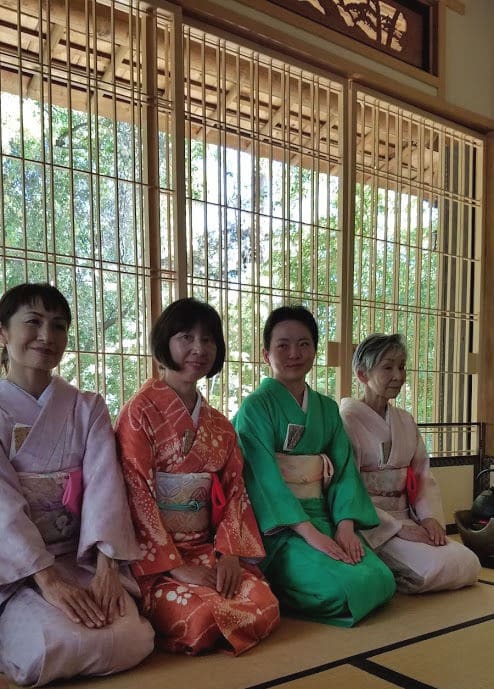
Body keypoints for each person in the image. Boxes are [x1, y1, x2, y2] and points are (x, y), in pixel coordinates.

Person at [0, 283, 154, 687]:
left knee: (130, 637)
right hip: (16, 569)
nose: (46, 336)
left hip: (78, 556)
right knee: (53, 646)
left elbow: (106, 487)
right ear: (3, 332)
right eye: (32, 322)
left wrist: (107, 566)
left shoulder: (87, 407)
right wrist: (47, 580)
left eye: (59, 326)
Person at [115, 298, 280, 655]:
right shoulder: (137, 414)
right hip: (158, 562)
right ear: (165, 343)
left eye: (208, 340)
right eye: (186, 337)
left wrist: (230, 554)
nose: (198, 349)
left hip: (208, 549)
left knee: (265, 603)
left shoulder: (219, 425)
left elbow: (236, 492)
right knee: (202, 615)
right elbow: (136, 494)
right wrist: (174, 567)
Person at [232, 306, 395, 627]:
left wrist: (345, 526)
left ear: (315, 350)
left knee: (383, 580)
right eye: (283, 345)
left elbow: (345, 469)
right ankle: (274, 580)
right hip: (280, 530)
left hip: (324, 517)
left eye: (304, 344)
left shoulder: (326, 408)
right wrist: (308, 533)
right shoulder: (255, 408)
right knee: (342, 588)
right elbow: (262, 479)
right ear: (266, 354)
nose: (294, 353)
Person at [340, 332, 481, 593]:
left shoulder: (404, 420)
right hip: (372, 524)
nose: (399, 375)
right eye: (388, 367)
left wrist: (428, 519)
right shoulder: (346, 420)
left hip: (408, 517)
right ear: (362, 375)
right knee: (431, 571)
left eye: (402, 367)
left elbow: (422, 475)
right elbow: (348, 487)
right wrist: (394, 529)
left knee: (468, 563)